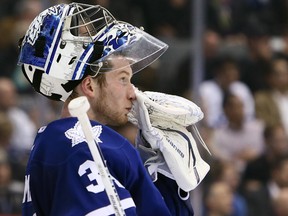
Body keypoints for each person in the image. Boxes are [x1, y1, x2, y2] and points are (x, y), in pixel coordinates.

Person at [18, 2, 173, 215]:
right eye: (123, 79)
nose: (133, 93)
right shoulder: (83, 147)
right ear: (89, 86)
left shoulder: (55, 141)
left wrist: (171, 183)